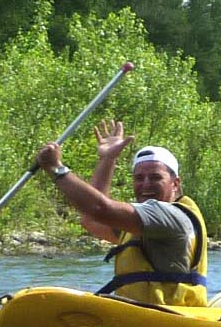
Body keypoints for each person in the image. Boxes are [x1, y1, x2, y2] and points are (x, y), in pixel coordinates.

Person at [36, 120, 208, 306]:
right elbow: (92, 220)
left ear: (175, 184)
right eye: (139, 178)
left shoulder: (171, 217)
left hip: (168, 319)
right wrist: (107, 160)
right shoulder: (141, 223)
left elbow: (100, 209)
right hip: (138, 317)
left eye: (156, 177)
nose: (146, 184)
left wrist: (56, 169)